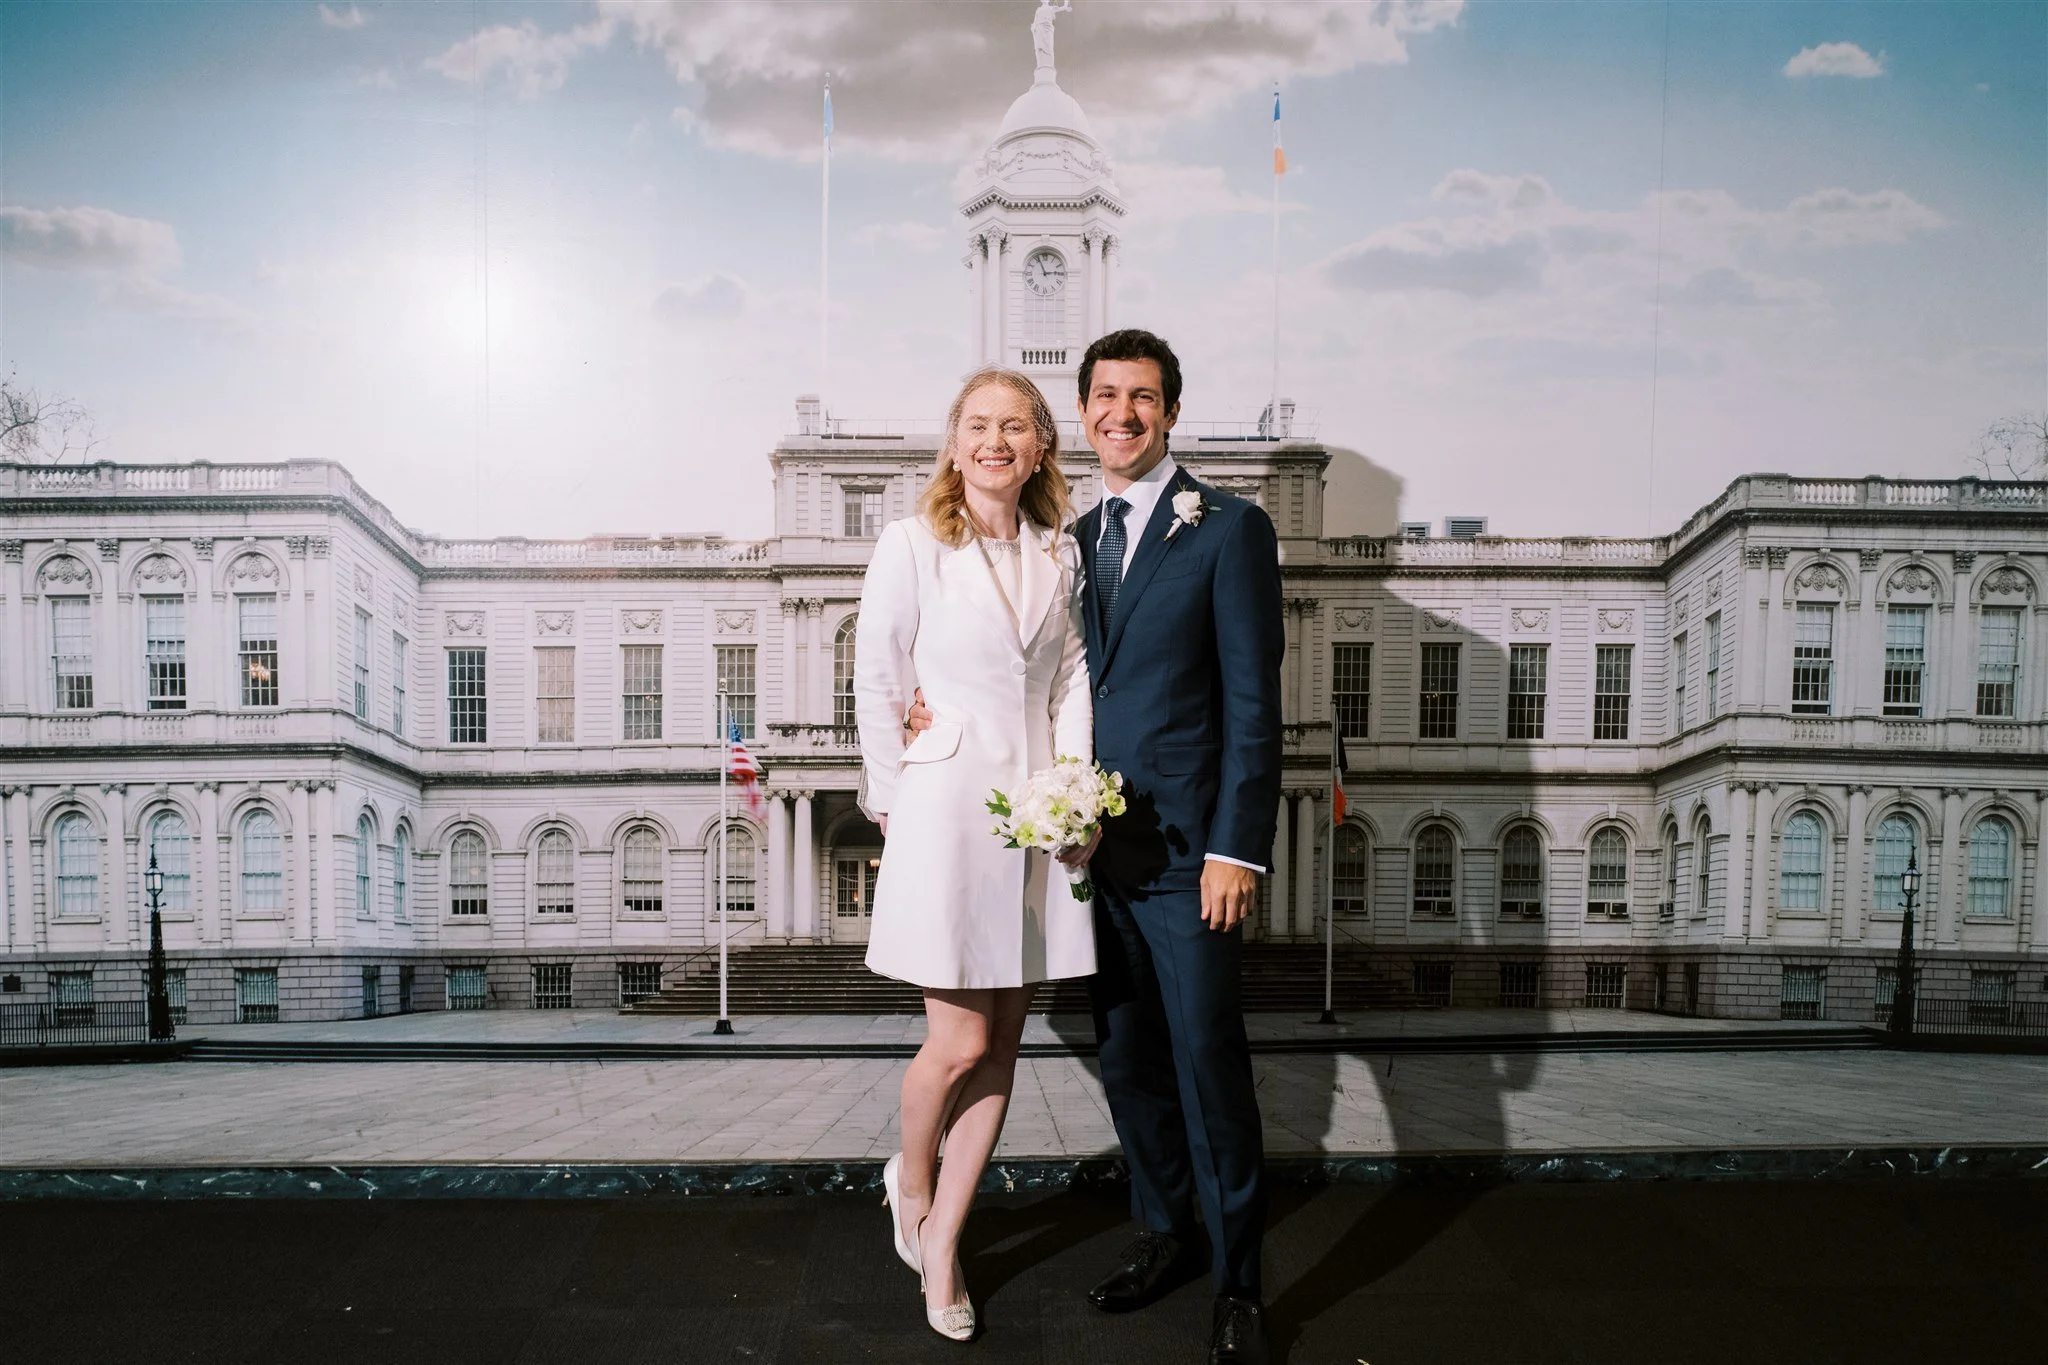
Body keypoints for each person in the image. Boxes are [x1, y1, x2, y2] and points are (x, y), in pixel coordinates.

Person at [911, 329, 1285, 1363]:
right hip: (1086, 861)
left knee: (1211, 1067)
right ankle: (1167, 1236)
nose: (1121, 413)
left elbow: (1254, 709)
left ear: (1168, 412)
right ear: (1080, 415)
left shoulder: (1228, 531)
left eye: (1143, 397)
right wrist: (919, 710)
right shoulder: (1062, 539)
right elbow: (1034, 673)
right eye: (1105, 397)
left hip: (1190, 861)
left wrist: (1235, 851)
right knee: (1128, 1067)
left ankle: (1241, 1285)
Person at [853, 365, 1097, 1343]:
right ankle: (908, 1178)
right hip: (946, 804)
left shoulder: (1062, 556)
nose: (995, 440)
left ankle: (944, 1243)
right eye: (977, 425)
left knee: (1002, 1045)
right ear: (953, 443)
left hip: (1035, 815)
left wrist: (1075, 787)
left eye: (1016, 426)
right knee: (954, 1041)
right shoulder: (910, 545)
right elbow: (876, 677)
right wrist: (889, 794)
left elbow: (1071, 674)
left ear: (1040, 447)